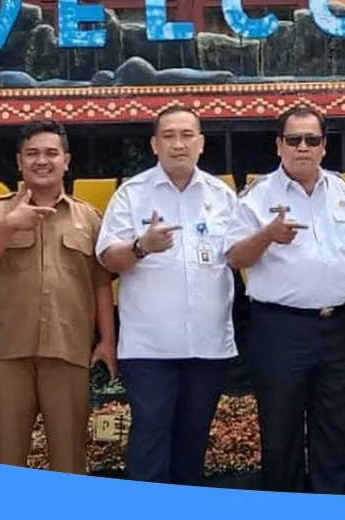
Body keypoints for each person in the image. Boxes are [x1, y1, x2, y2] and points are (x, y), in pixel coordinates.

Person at [96, 105, 238, 486]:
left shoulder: (222, 196)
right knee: (150, 441)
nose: (179, 144)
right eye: (170, 136)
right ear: (155, 144)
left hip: (207, 346)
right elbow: (108, 257)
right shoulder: (133, 194)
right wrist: (141, 246)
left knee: (192, 446)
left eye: (187, 135)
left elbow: (239, 255)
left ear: (202, 143)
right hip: (150, 349)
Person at [225, 105, 345, 493]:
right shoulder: (257, 195)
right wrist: (267, 235)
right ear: (279, 145)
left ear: (324, 146)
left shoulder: (343, 191)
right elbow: (235, 258)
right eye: (294, 140)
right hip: (281, 329)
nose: (303, 147)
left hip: (338, 327)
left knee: (336, 429)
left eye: (312, 140)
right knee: (280, 431)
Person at [0, 120, 117, 474]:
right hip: (6, 352)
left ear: (67, 160)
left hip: (67, 349)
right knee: (7, 457)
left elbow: (100, 284)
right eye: (32, 153)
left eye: (52, 153)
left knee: (69, 459)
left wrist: (107, 341)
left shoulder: (89, 218)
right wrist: (9, 225)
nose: (42, 161)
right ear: (19, 161)